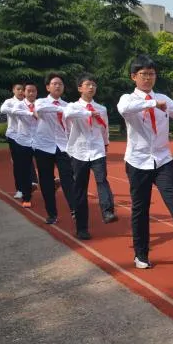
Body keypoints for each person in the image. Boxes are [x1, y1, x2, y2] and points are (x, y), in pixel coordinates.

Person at [117, 55, 173, 269]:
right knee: (140, 209)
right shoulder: (128, 99)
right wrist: (150, 103)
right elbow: (124, 110)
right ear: (134, 77)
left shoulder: (163, 99)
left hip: (162, 159)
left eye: (152, 74)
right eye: (144, 74)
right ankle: (141, 254)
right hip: (138, 161)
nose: (148, 78)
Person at [63, 73, 117, 240]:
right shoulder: (73, 106)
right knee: (80, 189)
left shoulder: (101, 108)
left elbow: (104, 128)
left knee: (102, 179)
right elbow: (67, 115)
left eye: (94, 85)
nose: (91, 88)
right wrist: (88, 114)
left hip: (97, 150)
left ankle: (108, 211)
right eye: (88, 85)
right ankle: (82, 228)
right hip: (79, 151)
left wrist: (106, 143)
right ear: (80, 88)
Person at [33, 73, 76, 225]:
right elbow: (40, 109)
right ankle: (52, 213)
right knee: (46, 181)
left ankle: (74, 209)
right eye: (54, 83)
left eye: (60, 84)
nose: (58, 86)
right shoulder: (41, 102)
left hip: (63, 147)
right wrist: (61, 109)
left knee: (68, 179)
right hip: (44, 146)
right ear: (48, 87)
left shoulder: (68, 105)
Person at [0, 81, 37, 198]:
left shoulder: (32, 103)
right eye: (18, 89)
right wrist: (26, 112)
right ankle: (20, 188)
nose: (21, 92)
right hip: (14, 136)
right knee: (18, 163)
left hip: (30, 136)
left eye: (23, 89)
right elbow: (3, 109)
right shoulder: (10, 102)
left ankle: (33, 181)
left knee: (35, 158)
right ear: (13, 90)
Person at [8, 81, 39, 209]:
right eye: (28, 91)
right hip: (23, 141)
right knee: (25, 169)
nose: (31, 93)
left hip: (39, 141)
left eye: (33, 91)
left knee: (45, 167)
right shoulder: (18, 105)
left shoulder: (40, 104)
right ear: (24, 93)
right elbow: (13, 111)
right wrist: (31, 113)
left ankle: (50, 184)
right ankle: (26, 197)